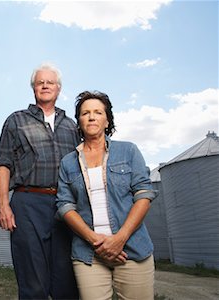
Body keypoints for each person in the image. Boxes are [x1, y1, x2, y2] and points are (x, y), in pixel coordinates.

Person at [56, 90, 156, 300]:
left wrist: (119, 239)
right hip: (88, 254)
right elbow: (65, 206)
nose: (92, 117)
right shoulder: (68, 162)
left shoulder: (128, 151)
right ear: (79, 121)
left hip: (132, 250)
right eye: (85, 113)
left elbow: (144, 194)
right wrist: (95, 241)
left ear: (107, 119)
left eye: (98, 112)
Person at [0, 62, 80, 299]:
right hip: (28, 202)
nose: (45, 86)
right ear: (33, 88)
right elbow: (3, 163)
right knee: (33, 282)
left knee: (66, 282)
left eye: (50, 82)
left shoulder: (72, 126)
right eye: (40, 82)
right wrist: (4, 205)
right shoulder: (16, 121)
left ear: (59, 88)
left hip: (65, 206)